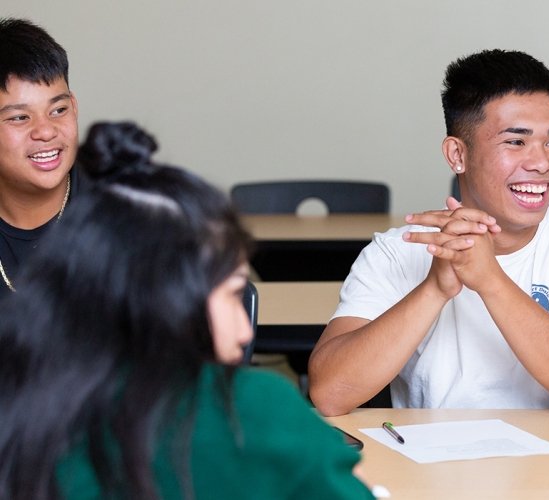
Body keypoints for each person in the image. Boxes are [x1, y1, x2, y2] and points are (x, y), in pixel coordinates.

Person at [0, 122, 374, 500]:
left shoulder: (25, 408)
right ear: (170, 296)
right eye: (231, 294)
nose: (246, 331)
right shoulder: (256, 408)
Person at [308, 49, 549, 417]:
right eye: (516, 142)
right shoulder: (398, 250)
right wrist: (434, 289)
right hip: (426, 467)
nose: (541, 162)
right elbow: (330, 393)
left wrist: (490, 280)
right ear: (457, 155)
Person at [0, 18, 85, 302]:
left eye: (58, 109)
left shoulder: (126, 212)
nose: (46, 131)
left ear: (74, 107)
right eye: (20, 117)